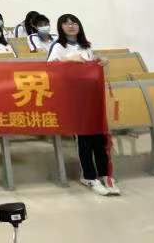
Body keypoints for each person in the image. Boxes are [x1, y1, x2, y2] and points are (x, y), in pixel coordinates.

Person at [48, 14, 119, 196]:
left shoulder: (86, 46)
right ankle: (88, 176)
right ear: (60, 27)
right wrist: (69, 60)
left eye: (74, 23)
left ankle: (105, 174)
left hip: (92, 96)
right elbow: (49, 68)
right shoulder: (58, 46)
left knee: (99, 137)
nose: (71, 26)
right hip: (73, 98)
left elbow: (92, 64)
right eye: (66, 23)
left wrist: (101, 61)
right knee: (84, 139)